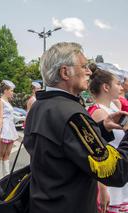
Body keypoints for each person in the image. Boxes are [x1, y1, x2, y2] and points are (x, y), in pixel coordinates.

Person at [24, 42, 128, 213]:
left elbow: (63, 144)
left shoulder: (41, 105)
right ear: (65, 72)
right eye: (84, 66)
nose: (89, 72)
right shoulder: (71, 114)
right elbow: (114, 170)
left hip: (44, 204)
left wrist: (102, 128)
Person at [87, 63, 128, 213]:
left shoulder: (113, 107)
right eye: (117, 83)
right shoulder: (99, 112)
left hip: (118, 173)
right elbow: (97, 155)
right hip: (109, 180)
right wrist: (103, 189)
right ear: (106, 87)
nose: (121, 87)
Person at [0, 80, 19, 180]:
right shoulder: (0, 101)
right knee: (1, 152)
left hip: (10, 128)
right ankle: (0, 176)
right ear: (5, 91)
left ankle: (7, 175)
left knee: (7, 153)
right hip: (4, 128)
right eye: (11, 90)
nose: (12, 92)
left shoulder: (7, 101)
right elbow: (0, 117)